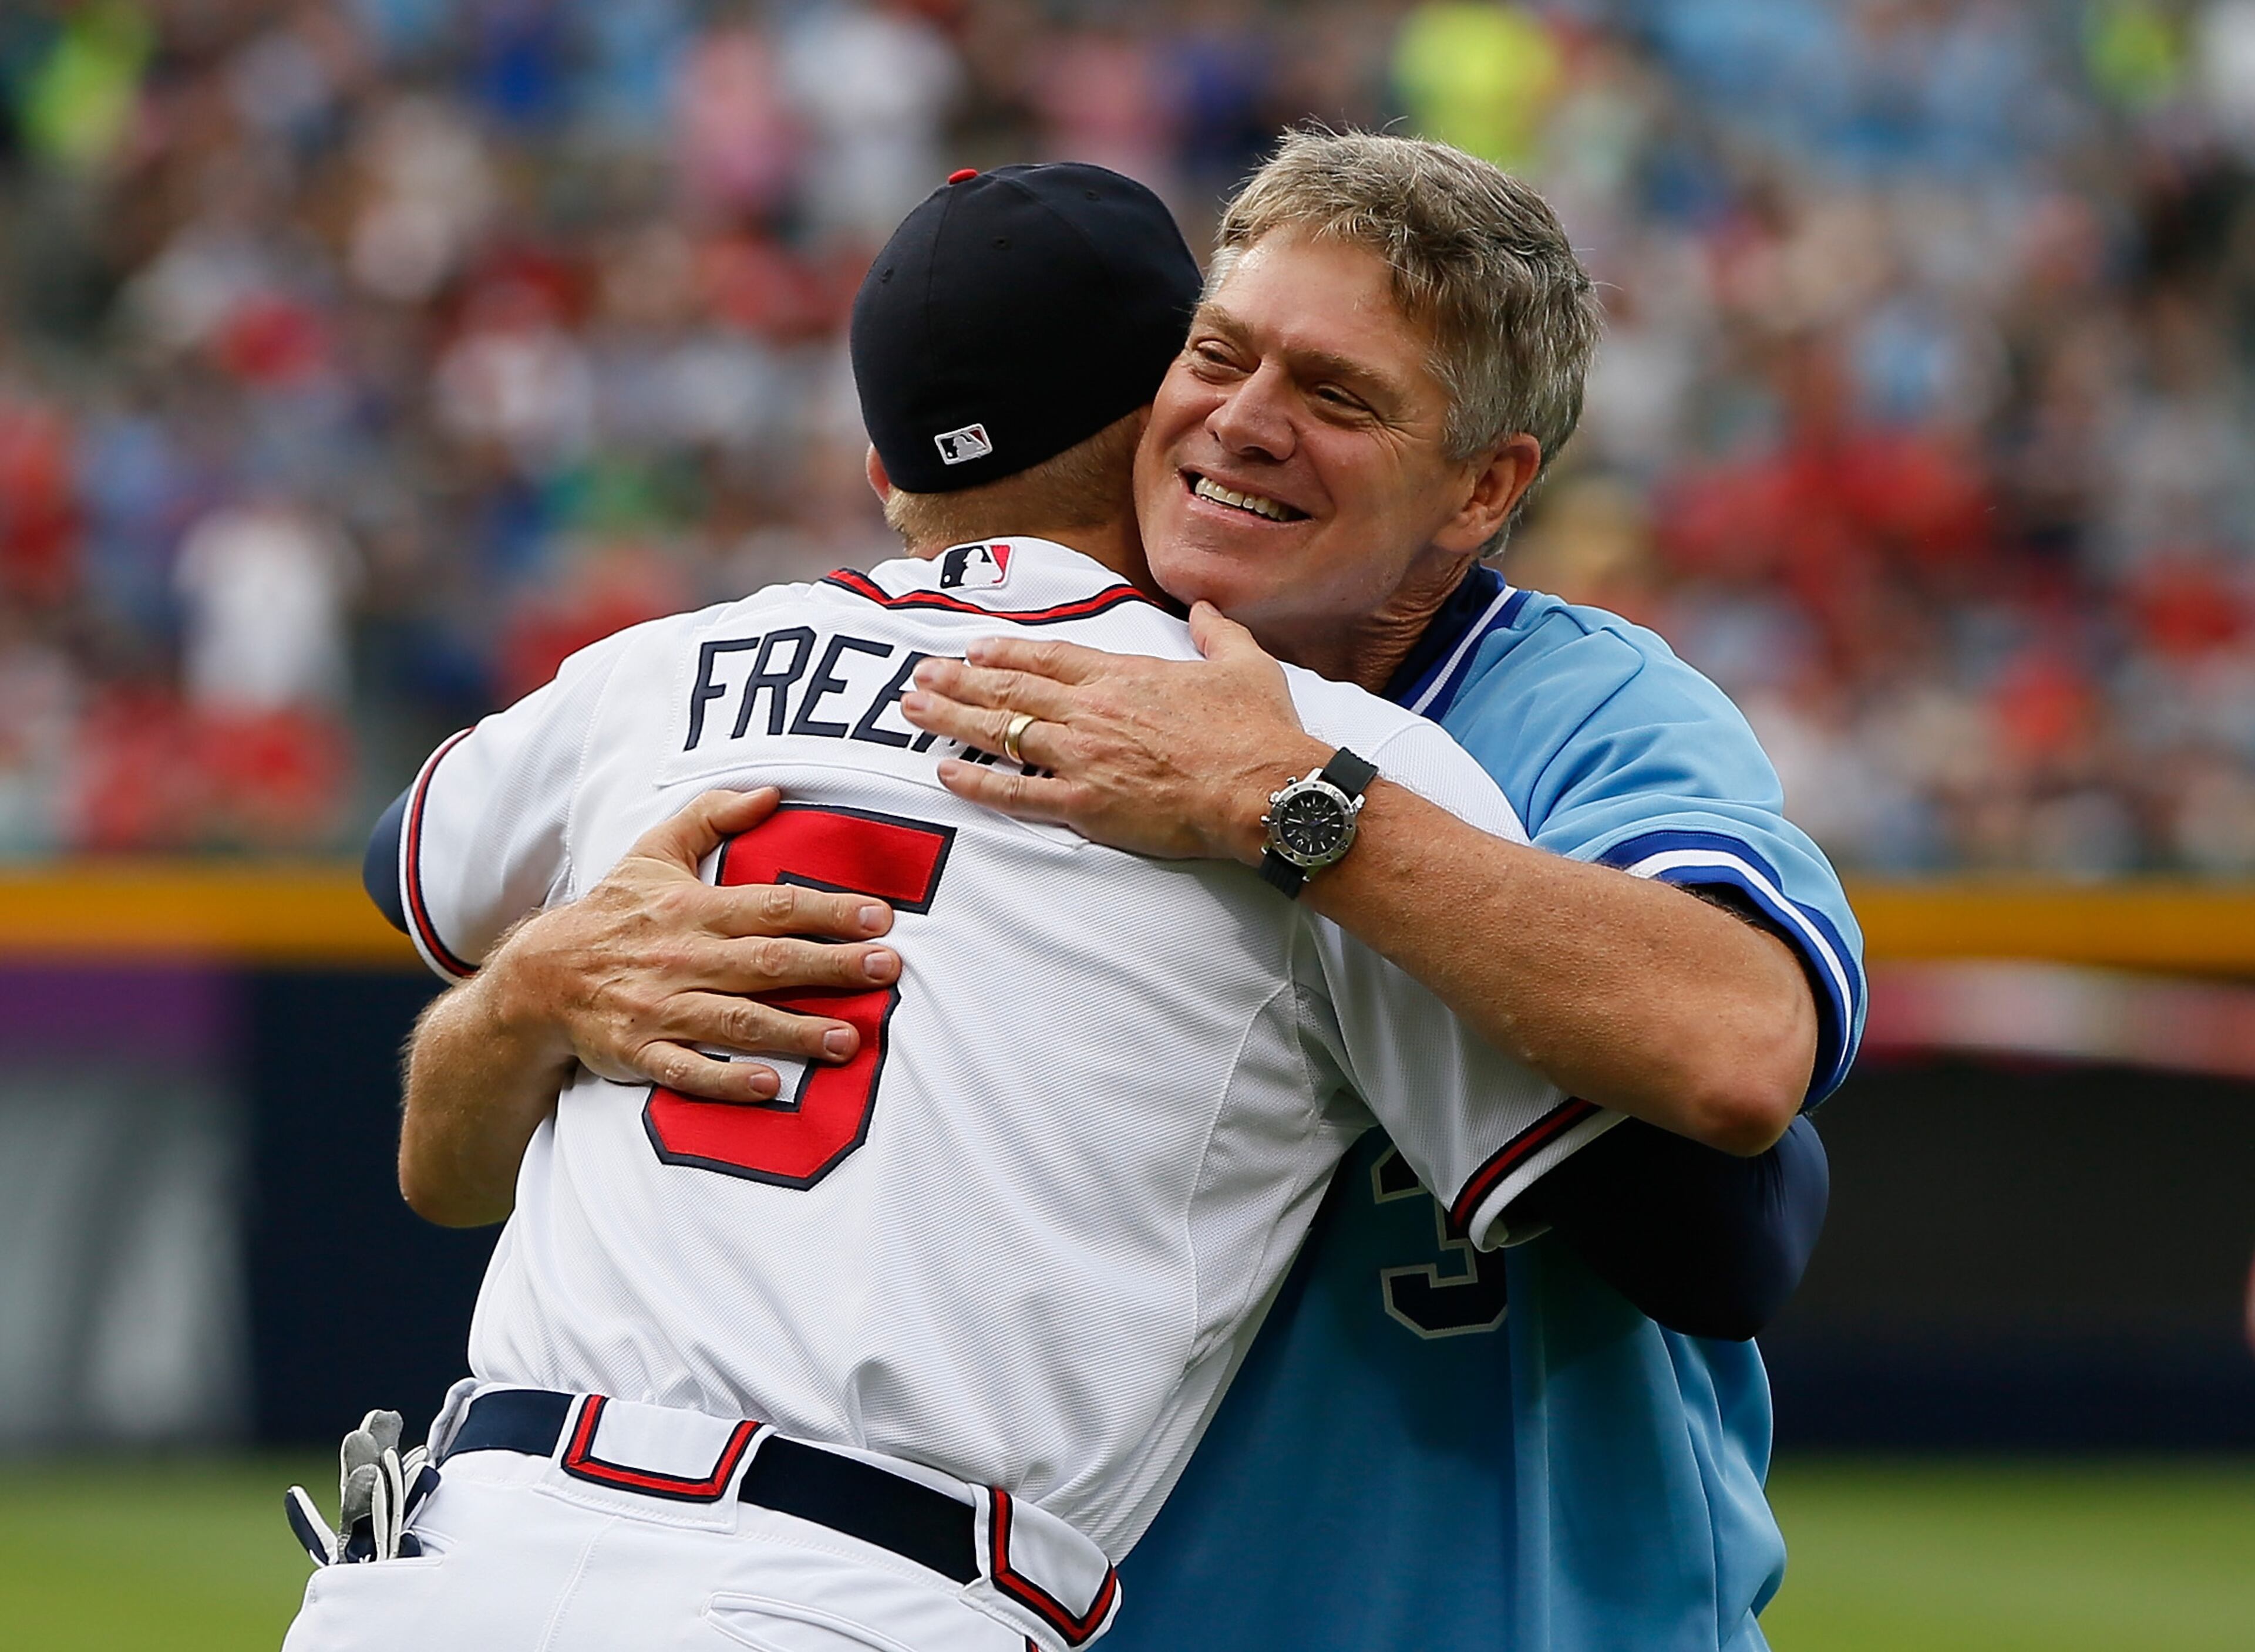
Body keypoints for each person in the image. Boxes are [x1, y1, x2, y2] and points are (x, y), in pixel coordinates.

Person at [369, 135, 1857, 1648]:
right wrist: (536, 992)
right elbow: (446, 1099)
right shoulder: (964, 684)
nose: (1248, 421)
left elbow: (1728, 1190)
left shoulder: (1568, 713)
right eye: (1217, 357)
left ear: (1483, 489)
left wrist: (1297, 809)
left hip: (1505, 1600)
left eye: (1339, 395)